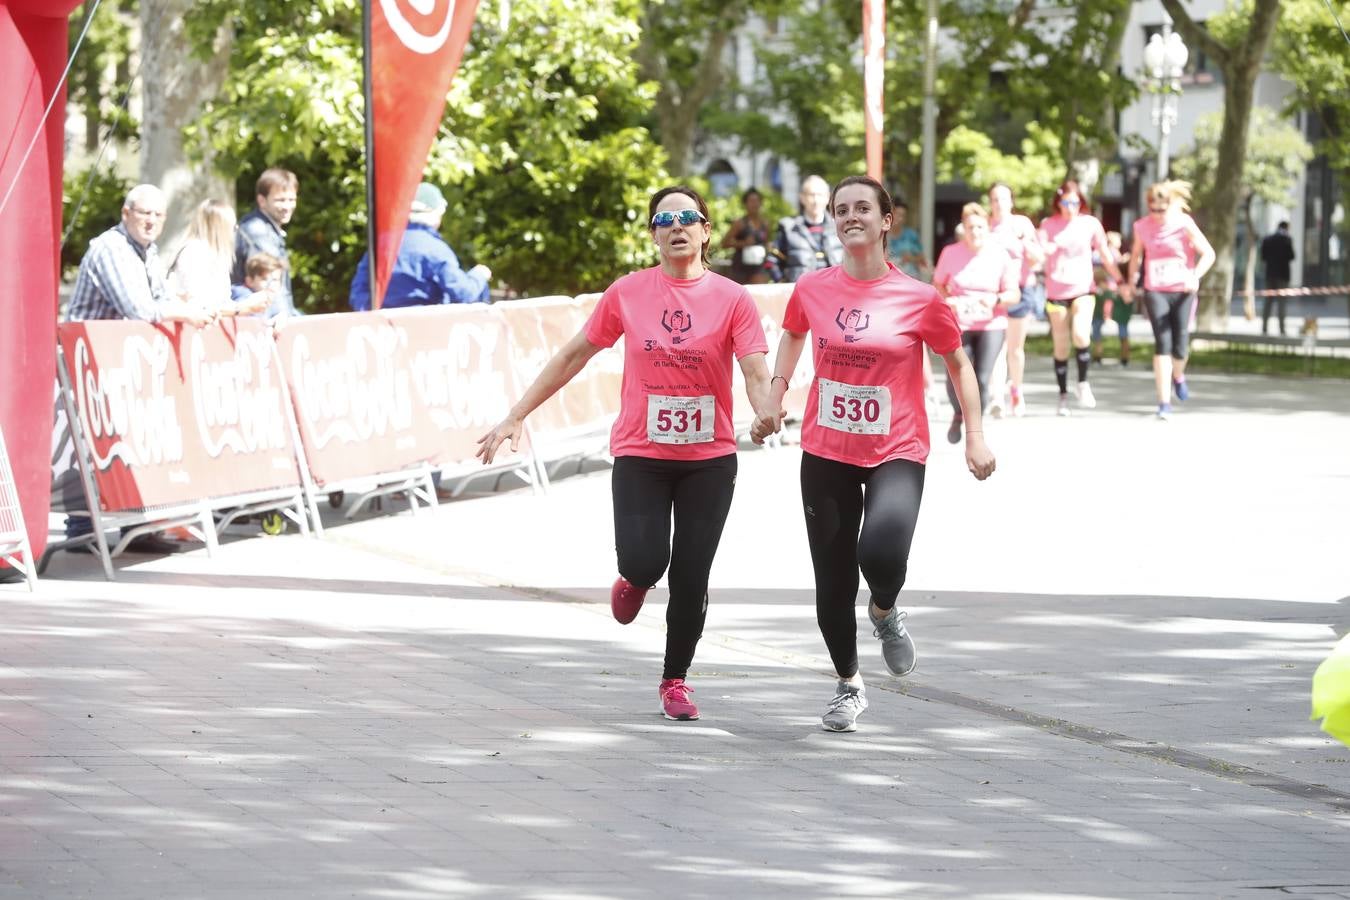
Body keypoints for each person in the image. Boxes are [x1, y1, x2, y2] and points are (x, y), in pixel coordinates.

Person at [476, 184, 776, 722]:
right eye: (665, 220)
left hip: (710, 458)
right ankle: (635, 579)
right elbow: (574, 355)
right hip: (642, 452)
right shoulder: (629, 293)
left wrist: (765, 409)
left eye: (688, 217)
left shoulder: (733, 298)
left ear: (706, 229)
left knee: (691, 572)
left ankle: (675, 680)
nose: (677, 226)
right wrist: (517, 413)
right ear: (653, 236)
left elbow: (755, 368)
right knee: (646, 558)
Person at [752, 175, 996, 734]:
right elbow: (792, 334)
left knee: (881, 558)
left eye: (863, 207)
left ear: (887, 221)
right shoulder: (812, 288)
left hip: (897, 447)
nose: (850, 216)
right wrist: (777, 390)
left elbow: (958, 363)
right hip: (827, 448)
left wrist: (976, 433)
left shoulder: (919, 298)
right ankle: (848, 684)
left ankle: (884, 610)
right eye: (841, 210)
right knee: (832, 580)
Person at [63, 184, 213, 554]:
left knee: (136, 445)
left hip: (123, 366)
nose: (151, 221)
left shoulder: (146, 251)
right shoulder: (110, 248)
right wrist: (189, 313)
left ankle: (141, 526)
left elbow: (160, 297)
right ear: (125, 212)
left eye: (157, 215)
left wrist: (187, 303)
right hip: (88, 366)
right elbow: (139, 308)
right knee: (91, 447)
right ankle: (82, 530)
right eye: (144, 213)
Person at [1126, 180, 1216, 419]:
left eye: (1161, 210)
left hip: (1183, 290)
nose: (1157, 214)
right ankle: (1164, 402)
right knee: (1162, 342)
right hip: (1155, 289)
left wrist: (1195, 275)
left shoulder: (1183, 223)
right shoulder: (1141, 227)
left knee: (1180, 345)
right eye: (1153, 209)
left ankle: (1178, 375)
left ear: (1170, 205)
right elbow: (1136, 256)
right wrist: (1131, 281)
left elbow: (1208, 253)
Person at [932, 202, 1019, 445]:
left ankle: (974, 425)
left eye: (980, 227)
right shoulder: (951, 253)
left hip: (992, 323)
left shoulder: (1000, 255)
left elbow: (1014, 294)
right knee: (955, 374)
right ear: (964, 229)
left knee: (981, 377)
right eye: (970, 227)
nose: (975, 232)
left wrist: (996, 299)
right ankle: (958, 412)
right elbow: (937, 284)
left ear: (987, 228)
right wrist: (949, 301)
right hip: (960, 322)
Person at [1037, 180, 1123, 416]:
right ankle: (1063, 395)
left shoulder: (1090, 223)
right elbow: (1038, 251)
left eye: (1075, 202)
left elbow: (1105, 254)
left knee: (1081, 334)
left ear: (1081, 202)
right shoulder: (1048, 224)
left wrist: (1120, 279)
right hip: (1056, 293)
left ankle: (1083, 383)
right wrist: (1045, 250)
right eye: (1066, 202)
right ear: (1059, 201)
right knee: (1061, 345)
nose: (1070, 207)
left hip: (1083, 289)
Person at [348, 183, 491, 310]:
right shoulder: (436, 250)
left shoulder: (380, 246)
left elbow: (358, 293)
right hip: (426, 332)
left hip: (383, 333)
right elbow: (463, 294)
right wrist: (479, 275)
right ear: (435, 215)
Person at [987, 182, 1045, 417]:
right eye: (995, 199)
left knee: (1015, 348)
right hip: (996, 292)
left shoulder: (1022, 224)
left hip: (1021, 288)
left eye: (1003, 199)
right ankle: (996, 397)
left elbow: (1038, 259)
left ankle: (1016, 389)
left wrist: (1024, 243)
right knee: (997, 346)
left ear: (1011, 201)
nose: (999, 204)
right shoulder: (986, 228)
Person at [169, 199, 270, 317]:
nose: (234, 233)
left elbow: (221, 304)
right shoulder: (195, 253)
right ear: (219, 229)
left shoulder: (215, 257)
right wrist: (244, 306)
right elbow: (201, 307)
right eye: (233, 227)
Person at [232, 168, 300, 318]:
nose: (287, 207)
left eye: (291, 200)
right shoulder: (257, 231)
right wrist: (285, 319)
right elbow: (271, 283)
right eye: (280, 200)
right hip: (261, 322)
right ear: (262, 201)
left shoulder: (268, 229)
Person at [774, 175, 843, 282]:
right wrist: (785, 286)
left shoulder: (840, 226)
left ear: (828, 197)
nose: (816, 200)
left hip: (835, 291)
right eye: (811, 195)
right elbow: (772, 261)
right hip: (801, 293)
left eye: (820, 195)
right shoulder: (789, 228)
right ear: (802, 197)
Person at [720, 187, 776, 284]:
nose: (754, 204)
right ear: (745, 204)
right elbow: (724, 243)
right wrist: (743, 243)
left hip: (758, 267)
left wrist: (768, 247)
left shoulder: (765, 224)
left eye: (757, 201)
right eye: (751, 201)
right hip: (740, 269)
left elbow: (766, 243)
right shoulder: (739, 223)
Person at [1260, 220, 1295, 336]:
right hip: (1283, 276)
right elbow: (1292, 256)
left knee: (1268, 302)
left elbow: (1263, 257)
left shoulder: (1267, 239)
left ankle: (1264, 327)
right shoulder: (1287, 240)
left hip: (1270, 275)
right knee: (1281, 303)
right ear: (1286, 228)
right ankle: (1282, 329)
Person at [887, 201, 930, 281]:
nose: (901, 219)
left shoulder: (911, 235)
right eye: (898, 214)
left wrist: (911, 258)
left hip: (910, 278)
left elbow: (922, 259)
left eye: (903, 216)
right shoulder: (883, 235)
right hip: (889, 280)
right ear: (891, 214)